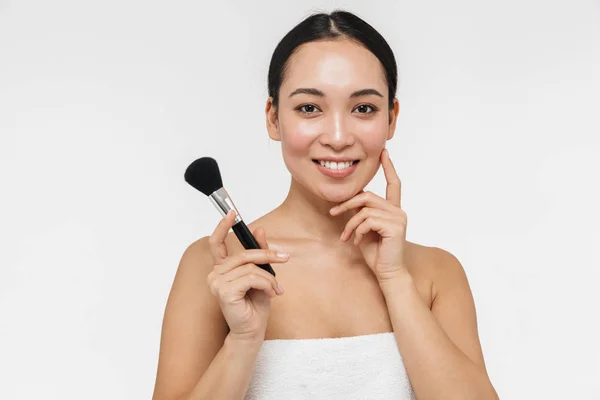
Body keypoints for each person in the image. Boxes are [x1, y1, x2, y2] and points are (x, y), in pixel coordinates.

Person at [152, 10, 498, 400]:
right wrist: (244, 340)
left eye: (363, 108)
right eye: (309, 108)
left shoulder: (436, 273)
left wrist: (396, 282)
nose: (337, 137)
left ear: (391, 117)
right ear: (273, 118)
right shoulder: (217, 268)